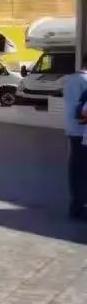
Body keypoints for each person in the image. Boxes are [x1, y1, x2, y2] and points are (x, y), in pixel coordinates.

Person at [63, 55, 87, 221]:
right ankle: (80, 205)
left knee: (75, 167)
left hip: (71, 128)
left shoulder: (69, 79)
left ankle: (75, 204)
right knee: (83, 170)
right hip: (83, 130)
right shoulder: (85, 80)